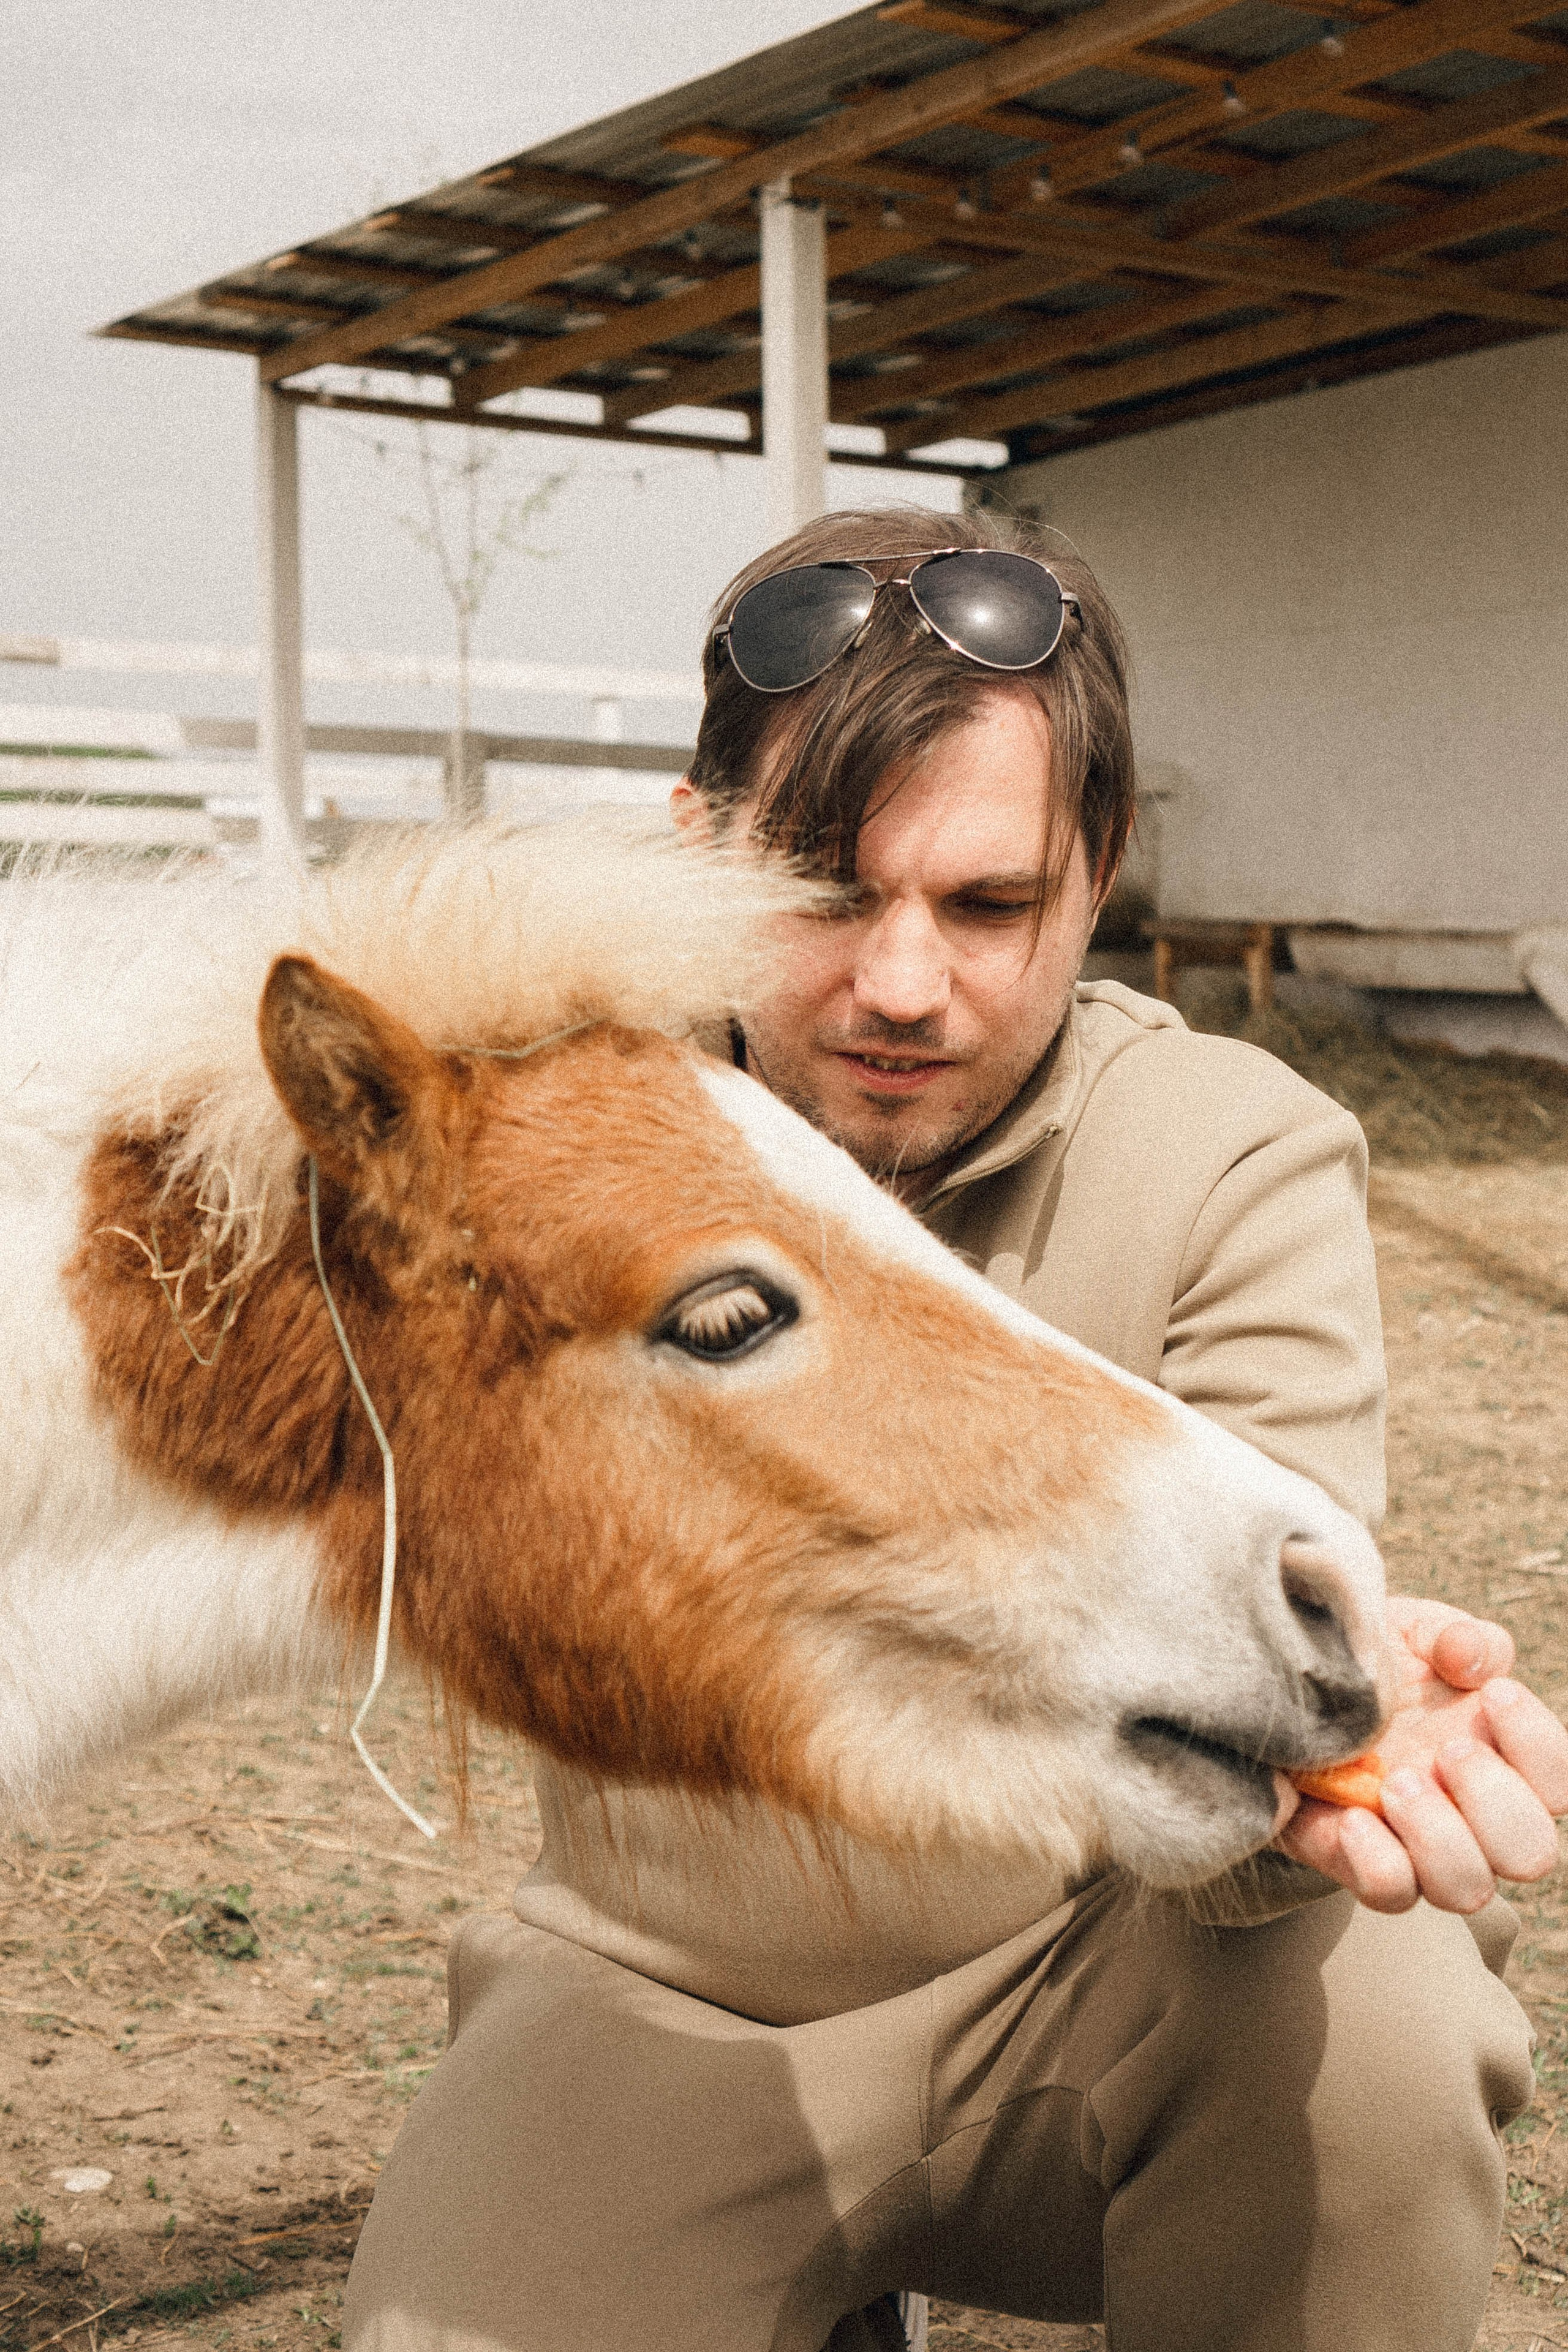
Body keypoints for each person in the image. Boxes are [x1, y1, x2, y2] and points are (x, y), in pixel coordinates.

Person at [345, 508, 1568, 2352]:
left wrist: (1328, 1749)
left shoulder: (1240, 1152)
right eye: (826, 892)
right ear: (691, 855)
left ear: (1103, 870)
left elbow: (1283, 1668)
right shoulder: (529, 1144)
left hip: (1087, 1994)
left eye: (990, 905)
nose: (904, 987)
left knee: (1383, 2011)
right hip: (660, 1999)